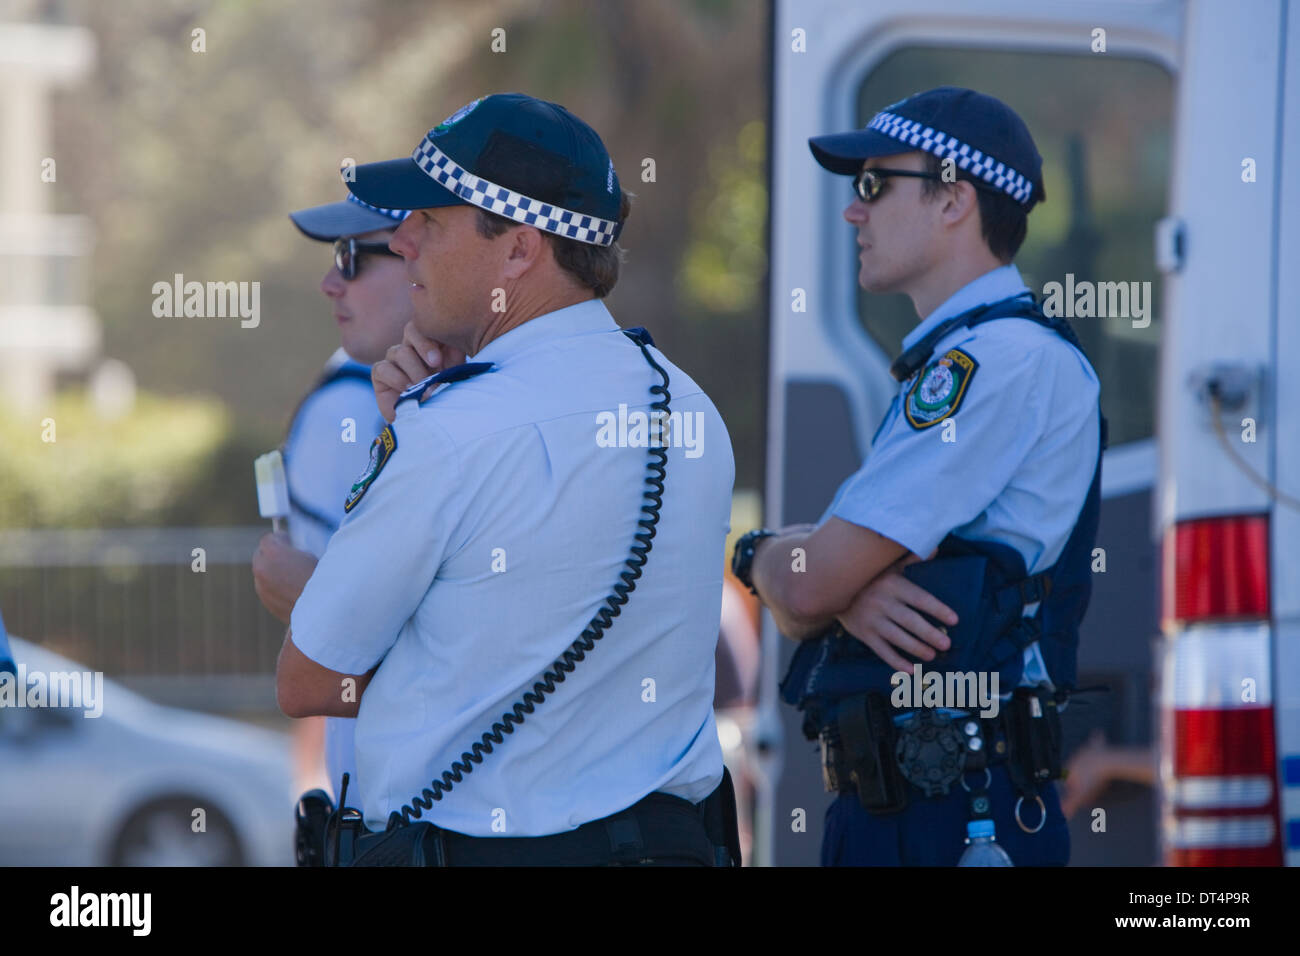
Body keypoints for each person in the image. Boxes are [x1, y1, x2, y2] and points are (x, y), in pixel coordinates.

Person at [275, 93, 740, 866]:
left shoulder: (451, 431)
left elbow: (307, 681)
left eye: (431, 218)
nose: (402, 240)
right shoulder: (692, 409)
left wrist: (403, 432)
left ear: (519, 250)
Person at [731, 87, 1104, 866]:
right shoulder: (966, 357)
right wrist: (837, 590)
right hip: (919, 805)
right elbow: (819, 586)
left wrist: (755, 557)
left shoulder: (997, 363)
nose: (852, 212)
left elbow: (804, 588)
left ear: (954, 200)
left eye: (874, 184)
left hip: (956, 812)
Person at [251, 192, 413, 802]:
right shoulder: (350, 402)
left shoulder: (359, 399)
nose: (328, 283)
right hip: (382, 802)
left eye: (351, 257)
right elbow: (318, 657)